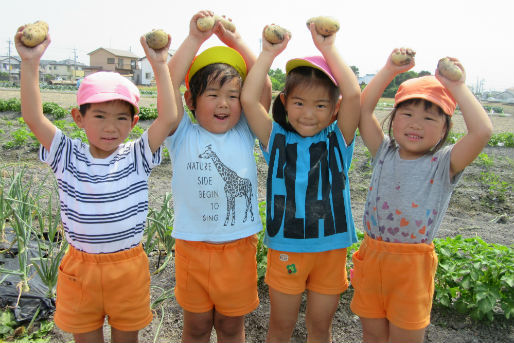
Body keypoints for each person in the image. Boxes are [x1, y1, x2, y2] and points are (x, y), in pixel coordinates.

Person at [15, 25, 177, 343]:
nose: (110, 127)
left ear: (133, 123)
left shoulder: (137, 155)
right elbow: (33, 117)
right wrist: (30, 62)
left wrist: (159, 64)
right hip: (81, 268)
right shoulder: (66, 153)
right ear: (78, 118)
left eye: (120, 118)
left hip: (127, 267)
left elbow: (168, 118)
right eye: (100, 116)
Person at [350, 48, 493, 343]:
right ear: (393, 119)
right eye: (407, 113)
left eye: (430, 118)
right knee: (372, 335)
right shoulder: (383, 151)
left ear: (444, 129)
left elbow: (482, 131)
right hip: (373, 256)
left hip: (411, 267)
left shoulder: (444, 164)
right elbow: (362, 110)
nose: (416, 123)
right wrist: (389, 69)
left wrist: (457, 86)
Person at [240, 22, 361, 342]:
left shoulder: (339, 141)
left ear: (335, 110)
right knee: (280, 327)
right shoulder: (275, 139)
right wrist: (268, 53)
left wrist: (328, 47)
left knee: (320, 327)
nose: (309, 113)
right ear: (284, 102)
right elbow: (250, 101)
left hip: (331, 250)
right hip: (287, 249)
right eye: (299, 103)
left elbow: (352, 93)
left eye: (321, 105)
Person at [163, 10, 271, 343]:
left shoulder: (243, 132)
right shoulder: (181, 134)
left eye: (233, 96)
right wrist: (195, 38)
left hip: (238, 248)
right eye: (213, 95)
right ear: (191, 101)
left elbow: (263, 86)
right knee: (195, 328)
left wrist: (234, 40)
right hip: (192, 250)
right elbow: (167, 83)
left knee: (230, 326)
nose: (224, 104)